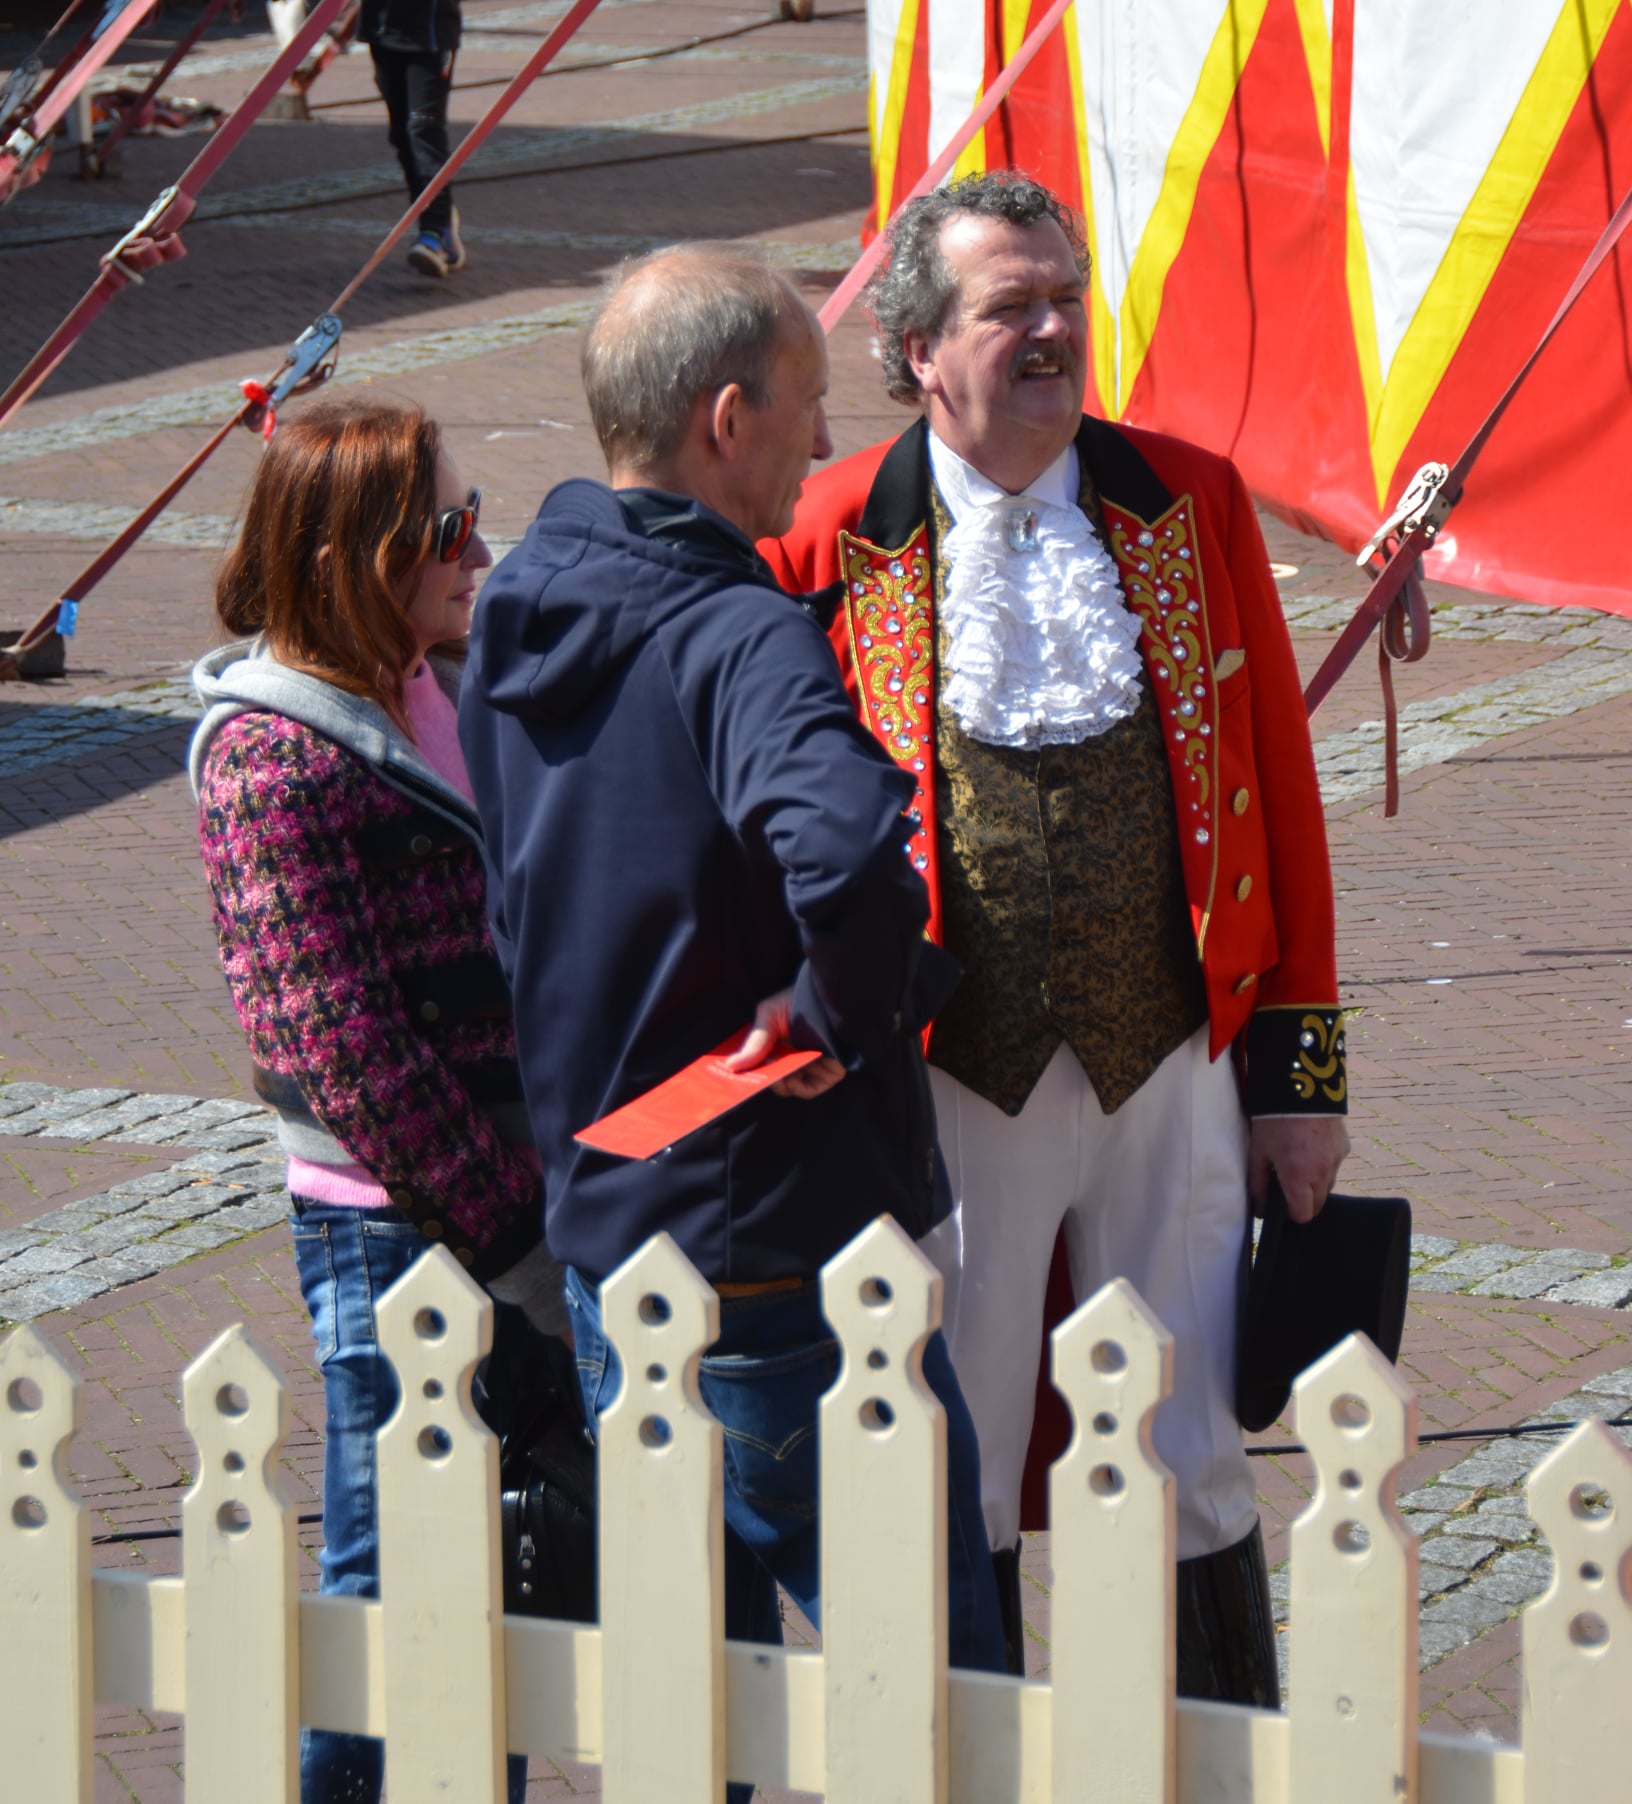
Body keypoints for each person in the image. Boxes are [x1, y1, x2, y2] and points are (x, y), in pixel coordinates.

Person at [763, 171, 1350, 1704]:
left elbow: (1282, 798)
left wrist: (1300, 1073)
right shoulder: (832, 535)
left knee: (1193, 1435)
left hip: (1175, 1056)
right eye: (1005, 306)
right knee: (950, 1438)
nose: (1047, 331)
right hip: (947, 1077)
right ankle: (957, 1753)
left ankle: (1210, 1754)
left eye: (1062, 300)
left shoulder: (1185, 499)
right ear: (915, 352)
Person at [458, 245, 1007, 1796]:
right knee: (934, 1708)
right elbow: (844, 851)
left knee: (686, 1722)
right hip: (779, 1245)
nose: (825, 446)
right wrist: (833, 1012)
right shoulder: (736, 628)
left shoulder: (518, 603)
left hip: (612, 1218)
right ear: (722, 418)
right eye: (808, 409)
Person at [190, 398, 558, 1803]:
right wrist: (515, 1245)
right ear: (360, 554)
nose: (482, 549)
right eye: (451, 528)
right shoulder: (270, 757)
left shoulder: (438, 677)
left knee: (495, 1575)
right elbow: (342, 1044)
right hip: (398, 1225)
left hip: (506, 1197)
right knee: (392, 1573)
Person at [358, 0, 465, 277]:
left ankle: (436, 232)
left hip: (430, 33)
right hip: (383, 28)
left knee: (423, 129)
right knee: (402, 136)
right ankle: (438, 213)